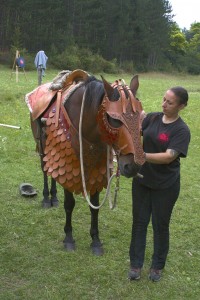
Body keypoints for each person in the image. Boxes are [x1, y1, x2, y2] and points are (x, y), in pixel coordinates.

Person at [128, 86, 191, 282]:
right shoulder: (153, 118)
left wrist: (142, 155)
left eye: (169, 102)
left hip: (166, 185)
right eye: (164, 100)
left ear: (181, 106)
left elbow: (168, 156)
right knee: (139, 223)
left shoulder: (181, 130)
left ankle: (157, 266)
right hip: (142, 181)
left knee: (160, 225)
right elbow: (135, 129)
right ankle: (136, 264)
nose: (164, 104)